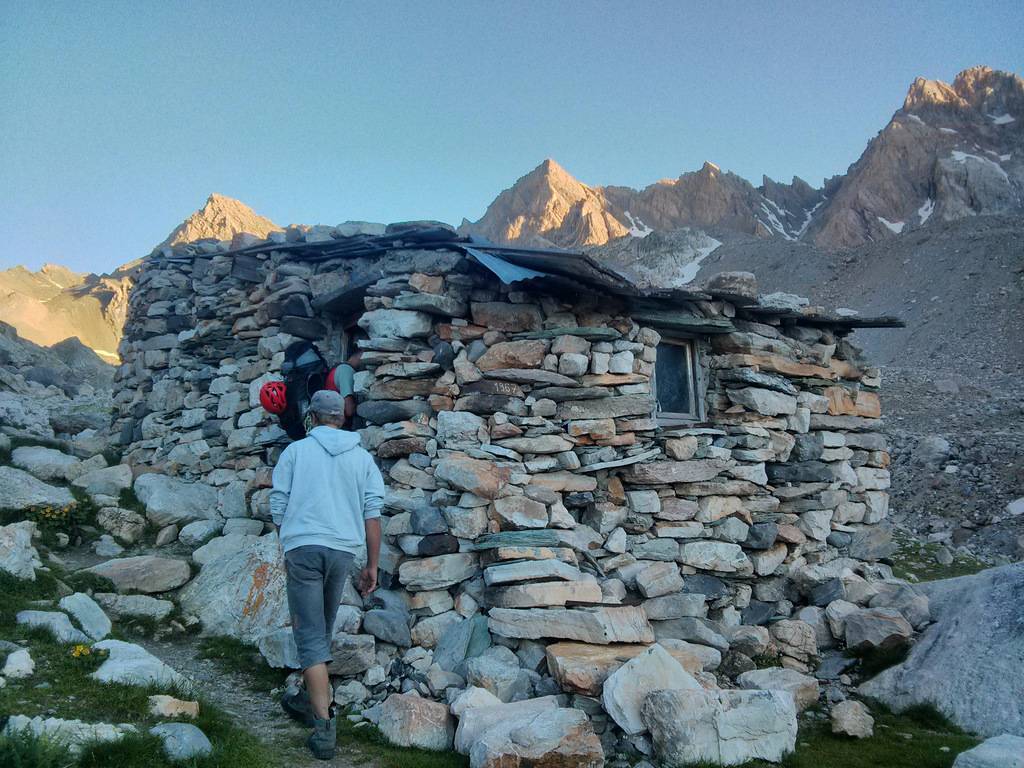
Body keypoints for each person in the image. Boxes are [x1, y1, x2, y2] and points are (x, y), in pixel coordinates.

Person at [269, 389, 384, 760]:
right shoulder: (363, 459)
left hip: (303, 547)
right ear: (341, 418)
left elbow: (278, 505)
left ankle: (323, 727)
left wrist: (285, 540)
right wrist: (371, 565)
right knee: (324, 627)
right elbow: (372, 513)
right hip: (342, 551)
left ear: (312, 417)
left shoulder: (296, 452)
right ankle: (307, 697)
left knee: (309, 636)